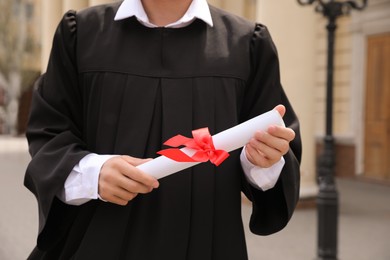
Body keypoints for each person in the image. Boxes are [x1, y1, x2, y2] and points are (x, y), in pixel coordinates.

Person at [24, 0, 301, 259]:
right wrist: (92, 173)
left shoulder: (247, 45)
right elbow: (49, 133)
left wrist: (261, 160)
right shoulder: (82, 34)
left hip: (207, 243)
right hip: (97, 240)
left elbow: (275, 152)